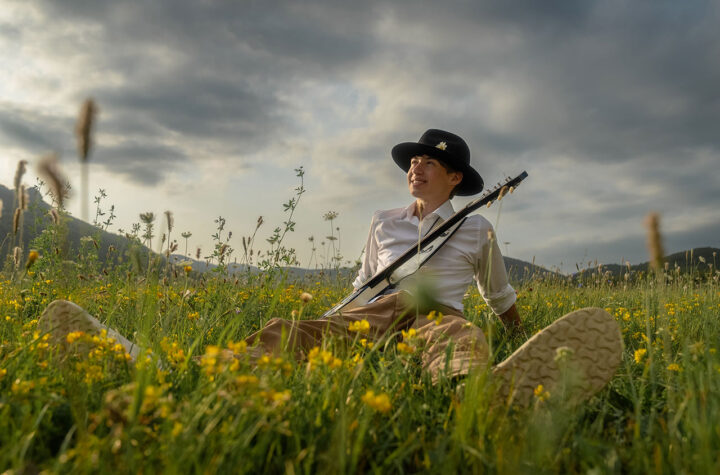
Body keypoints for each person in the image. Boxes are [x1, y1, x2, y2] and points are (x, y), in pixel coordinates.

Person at [39, 129, 623, 406]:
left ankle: (488, 393)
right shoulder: (382, 219)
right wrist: (332, 318)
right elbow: (361, 283)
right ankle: (159, 370)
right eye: (415, 160)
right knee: (289, 333)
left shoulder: (478, 228)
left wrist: (524, 335)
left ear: (455, 180)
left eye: (431, 163)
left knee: (457, 333)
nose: (418, 166)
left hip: (433, 313)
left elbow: (498, 294)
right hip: (374, 310)